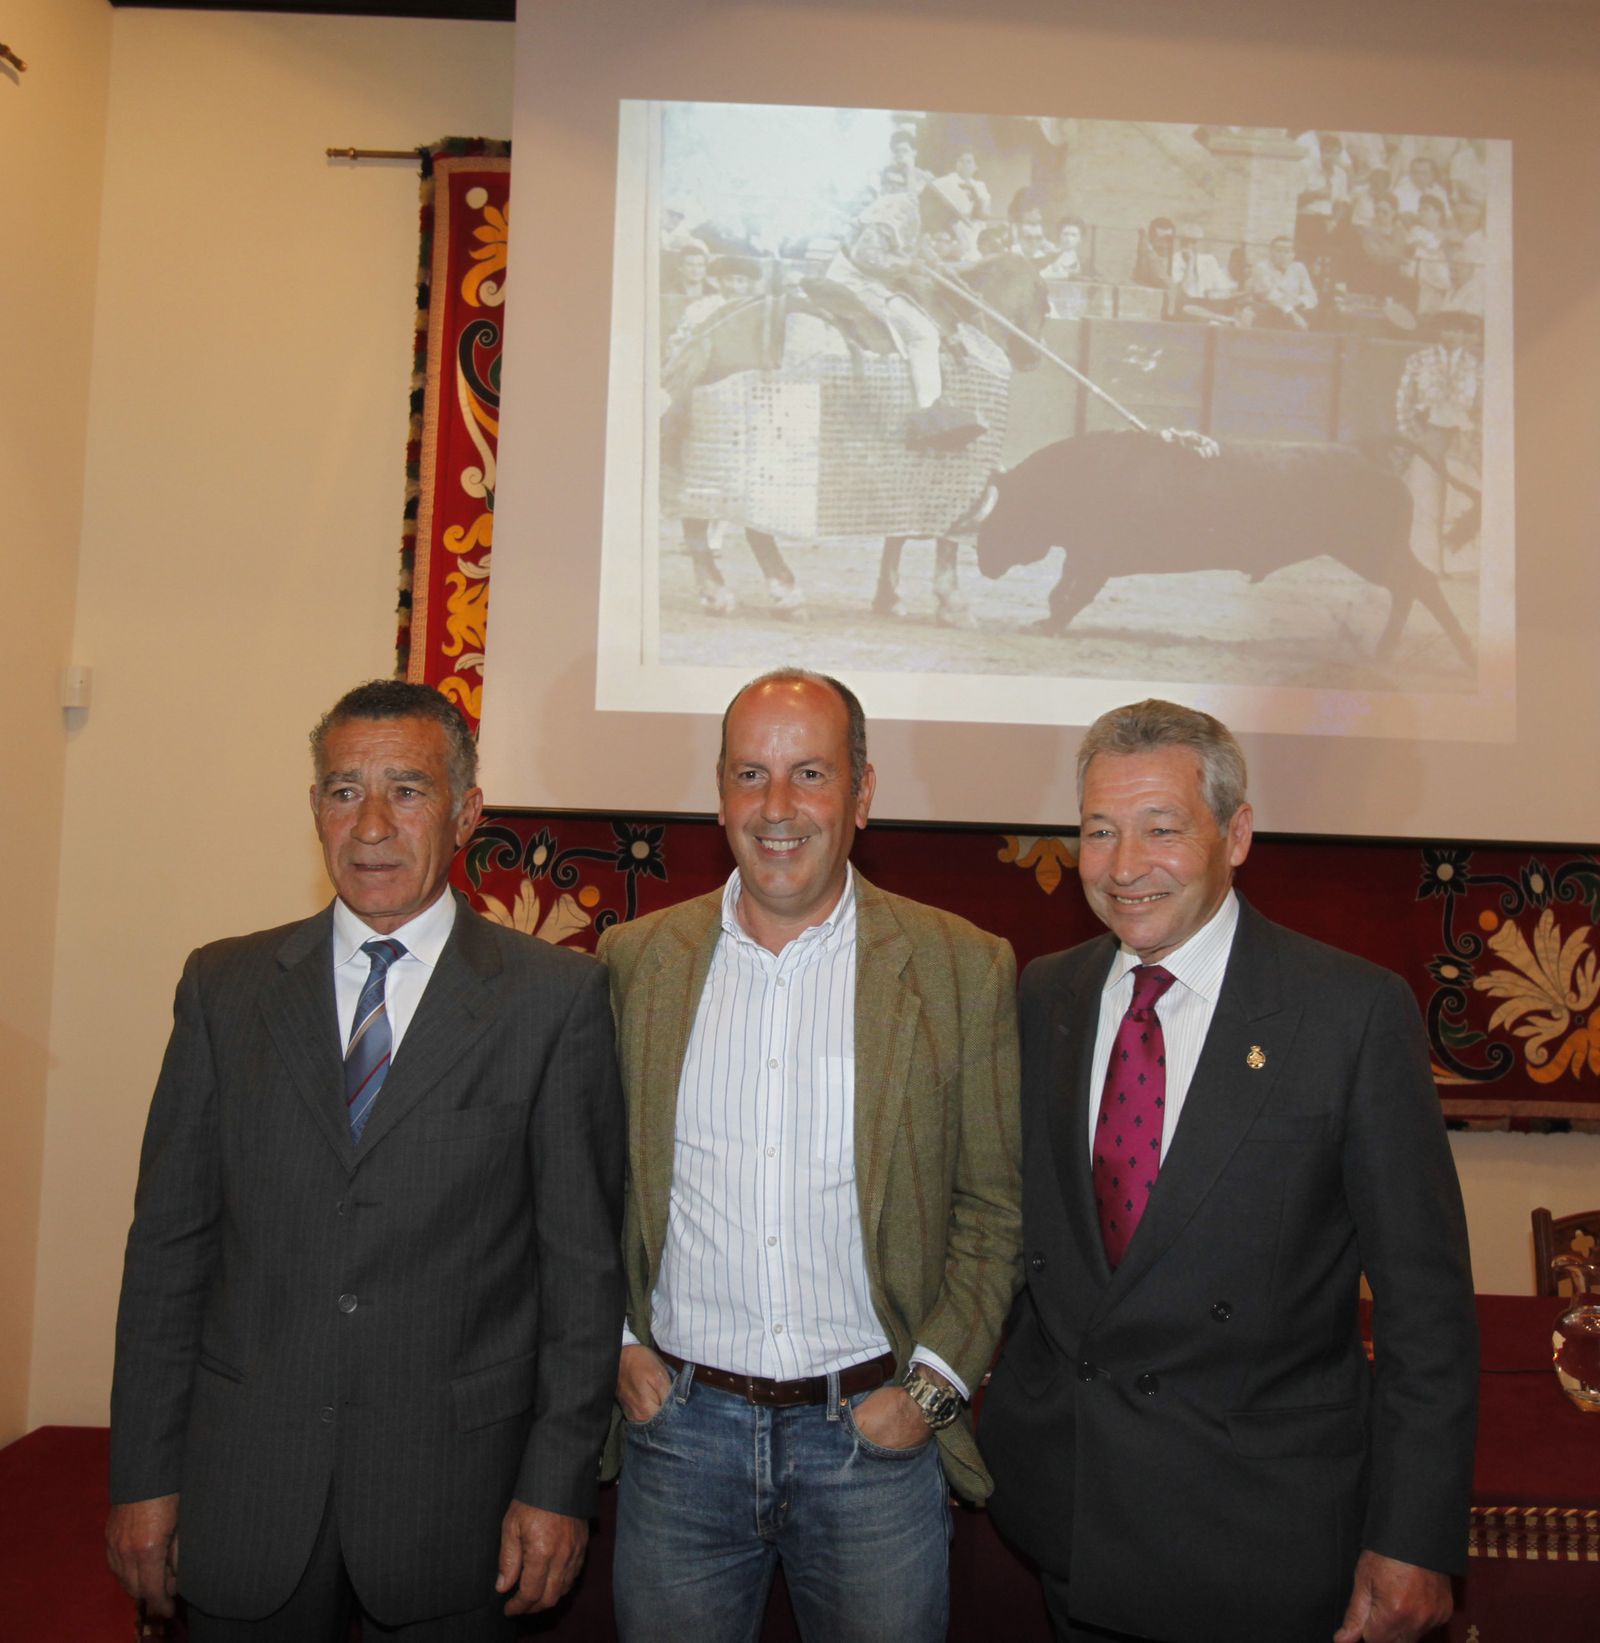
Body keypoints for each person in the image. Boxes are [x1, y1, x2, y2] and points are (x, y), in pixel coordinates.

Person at [105, 680, 626, 1641]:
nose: (372, 823)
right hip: (243, 1497)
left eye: (408, 789)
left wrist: (558, 1486)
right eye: (344, 790)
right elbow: (167, 1256)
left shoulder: (555, 1002)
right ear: (315, 810)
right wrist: (143, 1477)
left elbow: (583, 1279)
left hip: (455, 1510)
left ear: (468, 812)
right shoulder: (224, 988)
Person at [980, 699, 1478, 1643]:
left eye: (1162, 829)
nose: (1125, 867)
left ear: (1236, 834)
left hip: (1262, 1536)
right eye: (1099, 831)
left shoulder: (1350, 1013)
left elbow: (1428, 1307)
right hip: (1075, 1519)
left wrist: (1415, 1537)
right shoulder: (1047, 991)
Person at [598, 669, 1022, 1643]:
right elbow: (584, 1188)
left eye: (810, 773)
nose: (777, 808)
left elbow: (994, 1211)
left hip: (870, 1444)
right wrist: (618, 1343)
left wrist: (924, 1396)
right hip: (680, 1437)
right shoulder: (631, 964)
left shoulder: (961, 965)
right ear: (718, 792)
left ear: (862, 793)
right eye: (750, 773)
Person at [824, 187, 986, 449]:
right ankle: (929, 415)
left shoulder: (919, 214)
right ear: (935, 204)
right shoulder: (895, 211)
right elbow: (864, 256)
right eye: (950, 217)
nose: (950, 225)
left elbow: (928, 258)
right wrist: (908, 266)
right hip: (853, 280)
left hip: (876, 281)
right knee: (922, 331)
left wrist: (962, 288)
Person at [1397, 311, 1483, 572]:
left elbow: (1479, 405)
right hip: (1429, 433)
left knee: (1459, 500)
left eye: (1460, 331)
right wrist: (1412, 434)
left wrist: (1475, 435)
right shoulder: (1418, 360)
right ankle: (1423, 562)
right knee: (1423, 496)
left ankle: (1456, 563)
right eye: (1448, 329)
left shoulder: (1474, 365)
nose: (1454, 336)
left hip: (1461, 438)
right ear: (1438, 331)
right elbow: (1403, 400)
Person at [1242, 234, 1318, 328]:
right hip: (1266, 317)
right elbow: (1269, 295)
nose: (1282, 255)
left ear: (1293, 254)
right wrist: (1292, 313)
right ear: (1271, 252)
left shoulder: (1299, 268)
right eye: (1278, 251)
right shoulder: (1262, 267)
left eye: (1287, 252)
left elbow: (1311, 296)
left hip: (1294, 314)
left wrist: (1298, 301)